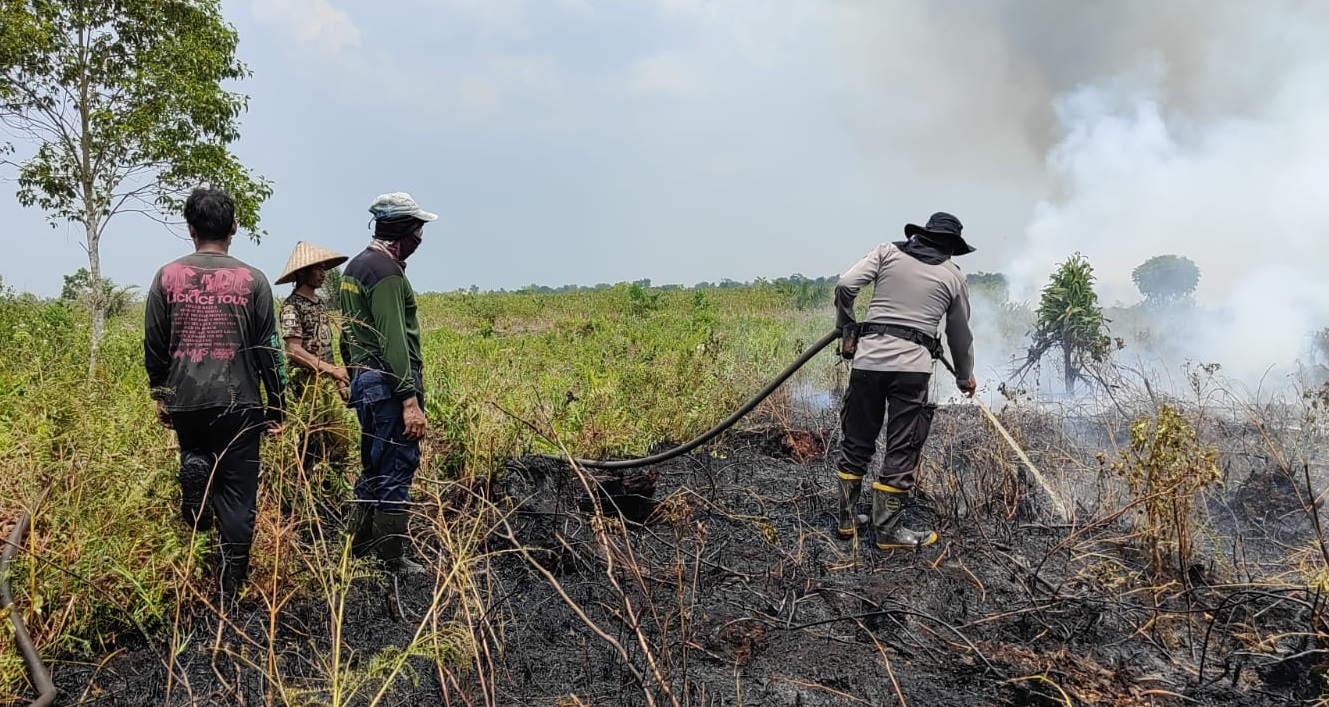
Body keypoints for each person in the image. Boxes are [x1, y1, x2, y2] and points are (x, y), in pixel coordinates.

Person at [144, 186, 285, 600]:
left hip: (186, 399)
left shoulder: (167, 277)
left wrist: (162, 394)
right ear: (234, 228)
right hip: (239, 401)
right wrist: (276, 406)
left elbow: (155, 344)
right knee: (239, 495)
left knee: (200, 459)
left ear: (190, 229)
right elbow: (269, 351)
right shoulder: (253, 280)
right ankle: (230, 587)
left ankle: (195, 470)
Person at [832, 211, 977, 550]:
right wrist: (964, 376)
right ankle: (887, 533)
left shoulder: (887, 252)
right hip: (912, 369)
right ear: (951, 246)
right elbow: (960, 337)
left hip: (867, 363)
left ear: (920, 236)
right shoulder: (953, 276)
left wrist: (846, 326)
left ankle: (847, 521)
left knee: (856, 440)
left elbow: (845, 285)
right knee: (902, 445)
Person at [339, 192, 437, 575]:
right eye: (418, 230)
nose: (421, 239)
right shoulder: (387, 274)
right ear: (402, 231)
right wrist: (409, 400)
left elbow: (348, 335)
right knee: (397, 464)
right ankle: (392, 560)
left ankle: (357, 549)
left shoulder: (354, 269)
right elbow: (393, 339)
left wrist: (351, 377)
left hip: (365, 382)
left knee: (373, 465)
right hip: (389, 384)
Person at [274, 241, 354, 488]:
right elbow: (294, 350)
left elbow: (326, 347)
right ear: (302, 273)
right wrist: (331, 371)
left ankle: (331, 490)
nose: (323, 273)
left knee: (339, 440)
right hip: (307, 384)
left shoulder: (319, 304)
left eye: (323, 268)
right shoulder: (292, 306)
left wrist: (338, 377)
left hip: (326, 381)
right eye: (317, 268)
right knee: (312, 440)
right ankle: (298, 491)